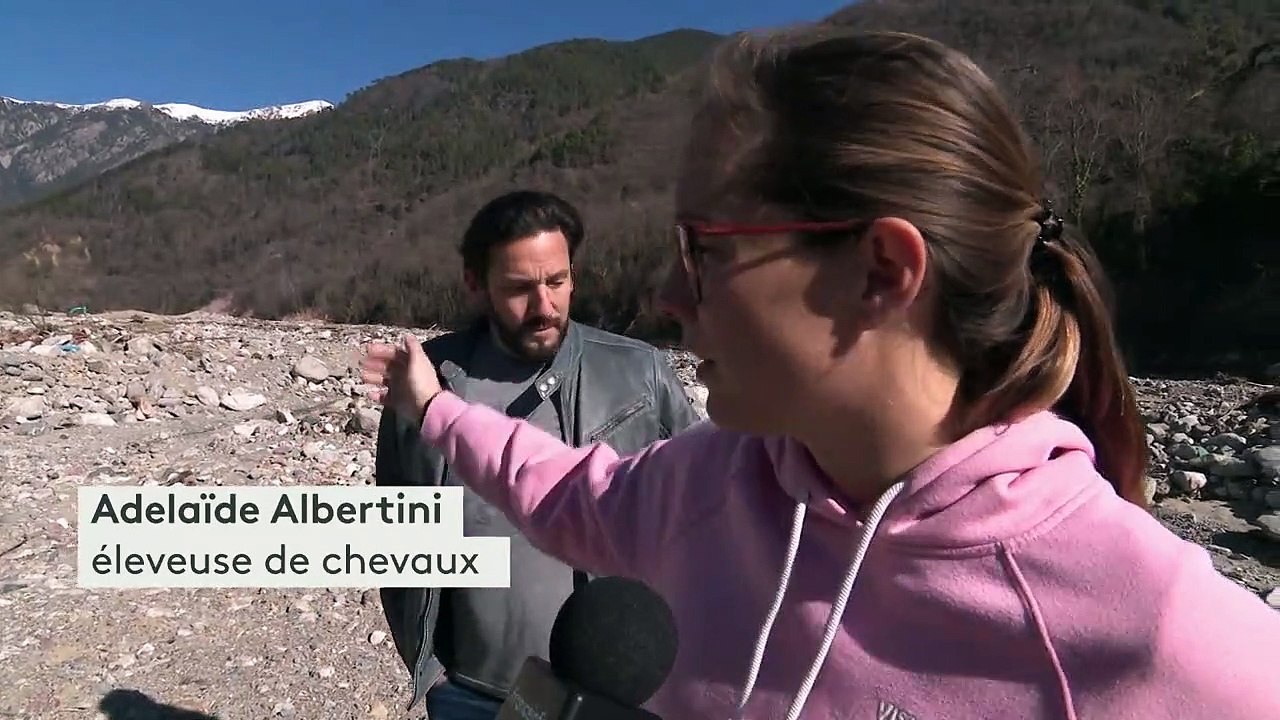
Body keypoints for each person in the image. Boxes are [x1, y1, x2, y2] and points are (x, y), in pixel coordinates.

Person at [363, 29, 1280, 720]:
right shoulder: (719, 478)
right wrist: (436, 409)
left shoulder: (1161, 634)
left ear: (881, 272)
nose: (667, 292)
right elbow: (565, 489)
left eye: (703, 249)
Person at [372, 189, 701, 719]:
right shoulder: (426, 382)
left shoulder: (640, 372)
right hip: (471, 690)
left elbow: (706, 514)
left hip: (618, 692)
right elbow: (397, 530)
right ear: (476, 284)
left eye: (557, 281)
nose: (544, 306)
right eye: (520, 288)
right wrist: (428, 665)